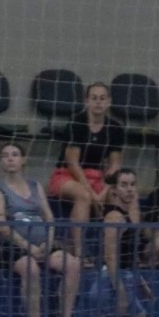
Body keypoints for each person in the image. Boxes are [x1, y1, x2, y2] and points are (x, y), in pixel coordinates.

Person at [0, 142, 83, 317]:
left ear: (23, 160)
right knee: (31, 269)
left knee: (72, 264)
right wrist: (28, 247)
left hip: (43, 245)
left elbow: (49, 217)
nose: (10, 158)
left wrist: (48, 242)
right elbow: (2, 226)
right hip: (12, 246)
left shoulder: (35, 186)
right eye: (5, 155)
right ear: (1, 162)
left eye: (15, 154)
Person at [86, 168, 153, 317]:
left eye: (133, 184)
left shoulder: (124, 215)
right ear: (114, 189)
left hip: (115, 280)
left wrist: (139, 281)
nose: (129, 189)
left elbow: (126, 256)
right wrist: (122, 291)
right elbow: (111, 256)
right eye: (124, 184)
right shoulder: (114, 216)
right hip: (113, 284)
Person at [49, 81, 126, 255]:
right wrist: (92, 193)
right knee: (83, 196)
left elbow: (114, 165)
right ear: (86, 101)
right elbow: (72, 163)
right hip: (67, 175)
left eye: (102, 98)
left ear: (109, 102)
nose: (98, 102)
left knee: (123, 196)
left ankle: (116, 252)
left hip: (97, 177)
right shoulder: (76, 123)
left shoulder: (115, 128)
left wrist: (106, 188)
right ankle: (78, 251)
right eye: (94, 98)